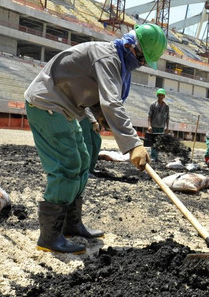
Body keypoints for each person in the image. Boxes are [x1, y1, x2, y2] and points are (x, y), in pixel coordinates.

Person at [24, 23, 167, 254]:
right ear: (131, 47)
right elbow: (111, 102)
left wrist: (101, 117)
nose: (141, 64)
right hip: (48, 104)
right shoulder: (108, 57)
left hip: (67, 108)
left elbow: (98, 100)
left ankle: (71, 224)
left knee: (82, 160)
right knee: (67, 165)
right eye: (141, 58)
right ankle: (49, 237)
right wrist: (133, 145)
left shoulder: (117, 61)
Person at [147, 88, 170, 162]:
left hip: (161, 127)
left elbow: (167, 117)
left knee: (159, 143)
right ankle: (153, 157)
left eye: (162, 95)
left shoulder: (166, 106)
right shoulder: (153, 105)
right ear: (157, 95)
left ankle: (156, 157)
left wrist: (167, 127)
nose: (160, 96)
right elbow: (149, 116)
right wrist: (149, 126)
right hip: (154, 126)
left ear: (164, 96)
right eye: (159, 95)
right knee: (153, 142)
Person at [78, 107, 102, 175]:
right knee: (87, 143)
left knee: (97, 141)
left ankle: (91, 168)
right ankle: (85, 170)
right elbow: (86, 106)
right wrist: (93, 121)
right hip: (83, 116)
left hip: (94, 117)